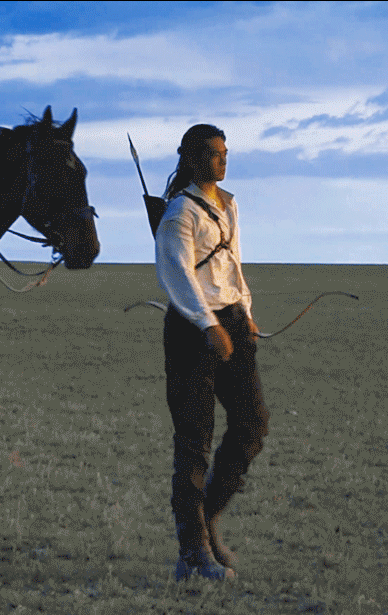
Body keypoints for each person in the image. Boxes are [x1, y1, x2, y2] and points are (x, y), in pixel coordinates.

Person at [155, 124, 269, 581]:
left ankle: (208, 518)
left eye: (224, 152)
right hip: (193, 332)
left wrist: (245, 311)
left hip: (233, 325)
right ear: (189, 157)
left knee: (252, 424)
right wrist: (208, 324)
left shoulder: (229, 204)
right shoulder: (179, 212)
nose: (221, 160)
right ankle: (192, 553)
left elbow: (232, 262)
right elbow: (176, 272)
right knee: (194, 441)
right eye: (212, 153)